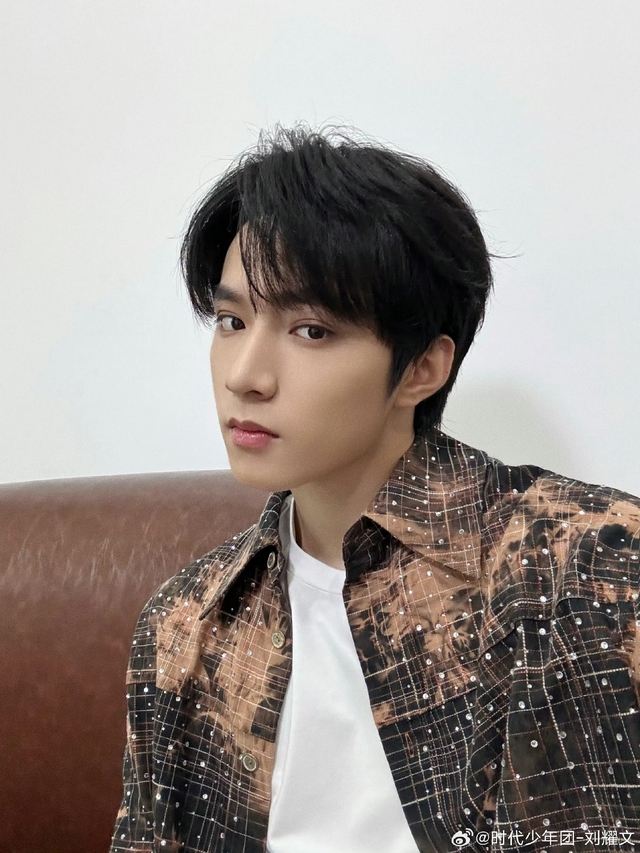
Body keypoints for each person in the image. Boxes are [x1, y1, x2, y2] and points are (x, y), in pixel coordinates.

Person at [109, 124, 640, 853]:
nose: (245, 375)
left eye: (311, 331)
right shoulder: (187, 627)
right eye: (232, 321)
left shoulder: (588, 563)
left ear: (423, 368)